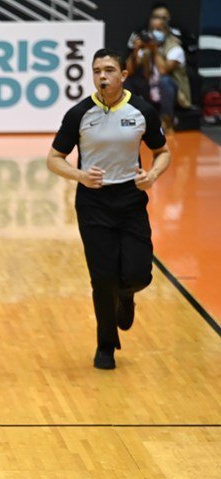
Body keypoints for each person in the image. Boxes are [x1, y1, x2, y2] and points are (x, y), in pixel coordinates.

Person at [47, 49, 171, 370]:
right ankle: (105, 346)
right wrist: (80, 176)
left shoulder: (142, 110)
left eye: (109, 70)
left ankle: (127, 294)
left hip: (131, 201)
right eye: (97, 71)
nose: (102, 76)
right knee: (101, 279)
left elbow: (162, 152)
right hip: (93, 203)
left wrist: (153, 175)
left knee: (138, 273)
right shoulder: (79, 114)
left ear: (123, 75)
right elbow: (53, 159)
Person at [125, 3, 191, 133]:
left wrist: (155, 51)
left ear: (166, 32)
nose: (156, 33)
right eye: (154, 30)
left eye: (159, 30)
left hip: (174, 95)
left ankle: (167, 119)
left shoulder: (175, 47)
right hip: (151, 90)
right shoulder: (147, 48)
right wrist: (135, 50)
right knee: (129, 81)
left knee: (165, 81)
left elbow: (163, 71)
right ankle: (129, 118)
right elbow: (128, 71)